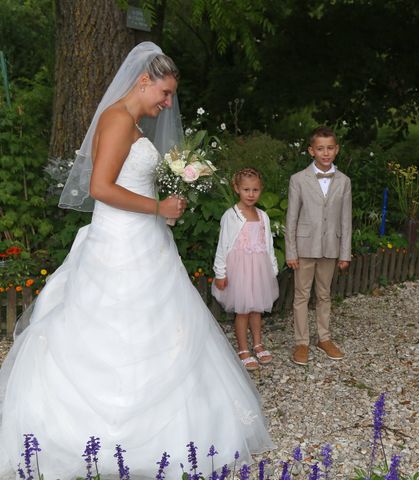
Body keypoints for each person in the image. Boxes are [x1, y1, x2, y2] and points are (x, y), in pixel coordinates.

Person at [0, 42, 273, 479]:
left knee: (166, 329)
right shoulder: (115, 119)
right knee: (113, 331)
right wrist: (156, 209)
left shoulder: (133, 124)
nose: (167, 103)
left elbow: (132, 183)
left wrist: (165, 203)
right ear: (143, 80)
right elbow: (101, 187)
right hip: (117, 244)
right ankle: (97, 441)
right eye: (163, 93)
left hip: (148, 241)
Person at [285, 126, 352, 366]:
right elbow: (291, 218)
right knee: (301, 295)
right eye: (320, 148)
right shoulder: (298, 180)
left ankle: (324, 338)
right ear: (311, 151)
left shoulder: (344, 182)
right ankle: (301, 342)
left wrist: (345, 252)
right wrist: (291, 251)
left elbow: (346, 219)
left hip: (330, 248)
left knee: (324, 294)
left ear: (337, 150)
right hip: (304, 248)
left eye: (330, 148)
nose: (326, 153)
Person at [212, 168, 279, 371]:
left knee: (256, 309)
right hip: (239, 270)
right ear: (237, 189)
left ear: (261, 190)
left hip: (259, 270)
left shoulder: (263, 216)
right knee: (242, 310)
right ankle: (243, 349)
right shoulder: (231, 216)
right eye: (246, 189)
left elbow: (268, 245)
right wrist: (220, 272)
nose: (251, 194)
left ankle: (258, 343)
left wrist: (272, 269)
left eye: (255, 190)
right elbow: (223, 246)